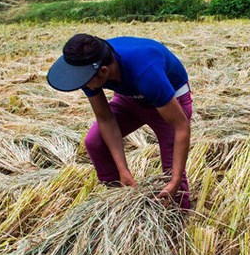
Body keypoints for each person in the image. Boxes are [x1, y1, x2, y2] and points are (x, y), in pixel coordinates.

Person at [47, 34, 192, 209]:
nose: (82, 85)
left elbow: (181, 127)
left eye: (84, 82)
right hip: (131, 97)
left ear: (104, 72)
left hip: (169, 99)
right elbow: (105, 118)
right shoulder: (88, 70)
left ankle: (179, 214)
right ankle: (119, 202)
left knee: (171, 174)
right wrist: (122, 170)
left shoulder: (145, 71)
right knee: (95, 142)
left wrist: (175, 180)